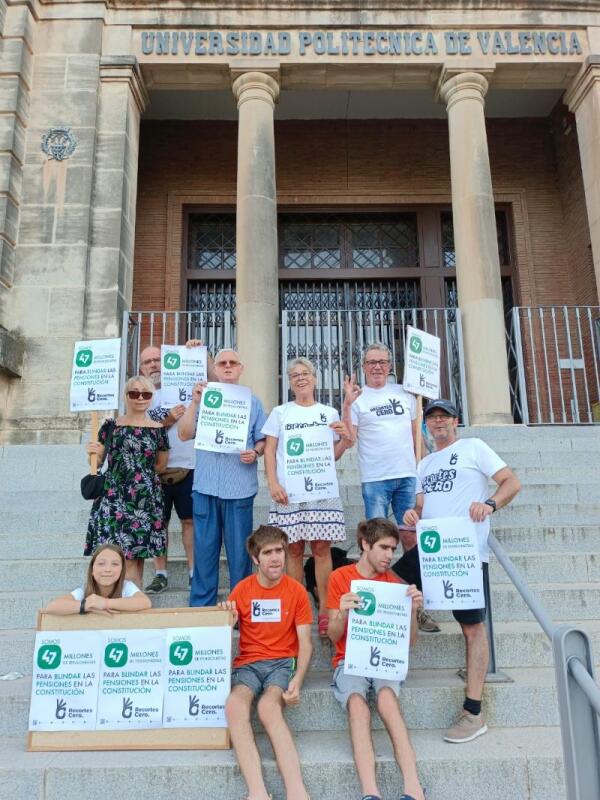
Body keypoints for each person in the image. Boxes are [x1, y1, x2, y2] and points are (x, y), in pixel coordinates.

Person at [403, 398, 521, 743]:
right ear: (426, 425)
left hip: (465, 552)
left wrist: (489, 504)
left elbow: (511, 482)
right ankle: (380, 671)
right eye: (432, 418)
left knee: (471, 627)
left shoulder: (474, 447)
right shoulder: (424, 463)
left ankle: (473, 710)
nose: (438, 423)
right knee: (391, 587)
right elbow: (422, 506)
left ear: (455, 420)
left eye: (444, 417)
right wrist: (413, 515)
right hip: (432, 548)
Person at [342, 341, 440, 634]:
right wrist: (346, 404)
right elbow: (349, 438)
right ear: (364, 366)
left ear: (390, 365)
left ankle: (417, 607)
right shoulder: (358, 398)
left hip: (407, 476)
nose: (377, 367)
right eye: (372, 362)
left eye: (382, 362)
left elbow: (416, 433)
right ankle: (376, 604)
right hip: (375, 479)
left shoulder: (405, 395)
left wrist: (423, 466)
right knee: (375, 543)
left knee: (413, 541)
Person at [327, 518, 425, 800]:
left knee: (387, 700)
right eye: (383, 547)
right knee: (357, 705)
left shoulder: (395, 584)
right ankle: (371, 793)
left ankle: (414, 788)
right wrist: (342, 612)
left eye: (393, 549)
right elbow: (334, 636)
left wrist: (412, 612)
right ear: (365, 545)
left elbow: (409, 643)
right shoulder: (340, 578)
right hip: (350, 659)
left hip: (384, 660)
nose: (389, 555)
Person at [219, 525, 312, 800]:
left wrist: (297, 680)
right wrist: (225, 617)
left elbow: (305, 643)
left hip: (282, 663)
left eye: (280, 551)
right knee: (235, 705)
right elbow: (223, 630)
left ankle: (297, 791)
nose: (275, 558)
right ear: (256, 558)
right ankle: (258, 792)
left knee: (268, 707)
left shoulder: (296, 591)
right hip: (248, 664)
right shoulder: (242, 590)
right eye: (268, 552)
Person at [262, 357, 353, 637]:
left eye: (305, 374)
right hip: (289, 493)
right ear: (289, 383)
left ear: (315, 378)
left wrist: (345, 438)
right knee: (293, 550)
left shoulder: (328, 412)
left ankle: (326, 609)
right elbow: (269, 450)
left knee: (322, 550)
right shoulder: (280, 413)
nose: (300, 378)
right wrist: (273, 482)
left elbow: (333, 455)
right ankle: (296, 608)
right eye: (294, 375)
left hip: (321, 493)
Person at [178, 346, 267, 606]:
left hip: (239, 488)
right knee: (204, 552)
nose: (227, 366)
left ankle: (239, 607)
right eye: (222, 363)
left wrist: (255, 452)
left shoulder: (253, 402)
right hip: (205, 486)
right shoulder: (203, 398)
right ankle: (202, 608)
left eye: (233, 362)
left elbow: (262, 440)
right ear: (215, 369)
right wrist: (194, 403)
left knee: (240, 554)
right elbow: (183, 433)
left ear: (241, 369)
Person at [84, 375, 169, 586]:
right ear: (126, 396)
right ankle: (129, 606)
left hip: (145, 498)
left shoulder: (158, 430)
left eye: (146, 394)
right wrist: (91, 453)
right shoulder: (111, 426)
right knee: (122, 556)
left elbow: (161, 465)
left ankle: (132, 604)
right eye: (134, 393)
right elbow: (98, 462)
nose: (140, 398)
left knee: (137, 557)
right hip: (114, 497)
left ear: (151, 397)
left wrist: (140, 477)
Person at [139, 344, 201, 594]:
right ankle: (160, 574)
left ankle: (193, 573)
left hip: (188, 465)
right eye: (148, 362)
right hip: (154, 471)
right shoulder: (139, 395)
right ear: (141, 368)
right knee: (158, 525)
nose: (153, 365)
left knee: (189, 522)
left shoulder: (184, 388)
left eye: (157, 359)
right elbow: (138, 430)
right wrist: (165, 419)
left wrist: (194, 353)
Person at [45, 544, 151, 615]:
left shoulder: (126, 586)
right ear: (92, 570)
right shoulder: (84, 590)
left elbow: (145, 602)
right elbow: (52, 607)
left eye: (115, 564)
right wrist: (87, 604)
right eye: (101, 564)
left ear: (122, 570)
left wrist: (105, 603)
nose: (107, 569)